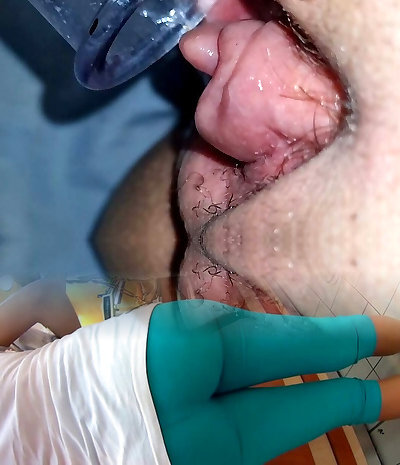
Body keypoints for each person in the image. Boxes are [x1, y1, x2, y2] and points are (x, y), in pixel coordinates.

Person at [1, 296, 400, 464]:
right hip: (151, 350)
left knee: (356, 403)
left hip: (158, 453)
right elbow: (42, 296)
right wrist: (80, 354)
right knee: (341, 337)